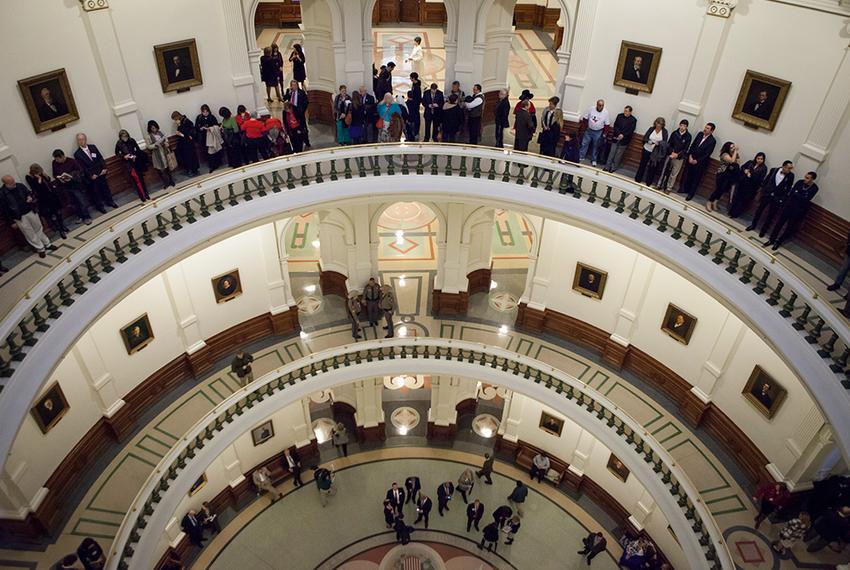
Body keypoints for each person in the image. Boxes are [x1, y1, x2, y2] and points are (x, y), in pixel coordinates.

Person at [1, 176, 56, 258]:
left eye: (14, 181)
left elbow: (29, 193)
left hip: (30, 210)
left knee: (38, 227)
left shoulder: (20, 185)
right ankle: (40, 249)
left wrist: (30, 197)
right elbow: (5, 210)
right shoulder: (2, 193)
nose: (14, 184)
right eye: (11, 183)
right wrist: (11, 222)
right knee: (29, 233)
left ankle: (47, 244)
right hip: (19, 216)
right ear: (6, 184)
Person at [766, 172, 819, 250]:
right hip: (789, 206)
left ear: (812, 179)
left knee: (789, 227)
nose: (805, 179)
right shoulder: (800, 182)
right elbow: (792, 192)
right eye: (805, 177)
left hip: (798, 210)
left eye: (808, 178)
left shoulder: (814, 188)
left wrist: (797, 194)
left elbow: (806, 199)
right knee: (779, 223)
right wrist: (799, 194)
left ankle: (779, 242)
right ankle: (772, 239)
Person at [746, 160, 794, 236]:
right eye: (788, 168)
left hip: (777, 198)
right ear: (783, 166)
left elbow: (788, 188)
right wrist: (762, 191)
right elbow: (766, 181)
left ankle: (763, 230)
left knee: (770, 215)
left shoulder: (791, 176)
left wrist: (782, 199)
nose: (789, 170)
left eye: (791, 168)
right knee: (759, 211)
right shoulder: (774, 170)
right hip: (767, 195)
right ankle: (753, 225)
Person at [74, 133, 118, 212]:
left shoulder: (92, 147)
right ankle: (100, 206)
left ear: (86, 139)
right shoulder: (77, 154)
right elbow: (82, 167)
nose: (81, 141)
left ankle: (110, 201)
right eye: (79, 140)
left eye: (82, 139)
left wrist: (104, 168)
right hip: (91, 176)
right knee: (95, 192)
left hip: (101, 172)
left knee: (105, 188)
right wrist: (90, 175)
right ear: (77, 141)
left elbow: (100, 158)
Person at [26, 164, 69, 239]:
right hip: (43, 199)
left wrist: (44, 175)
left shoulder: (41, 173)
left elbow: (48, 180)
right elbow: (36, 188)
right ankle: (59, 229)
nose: (40, 173)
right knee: (51, 214)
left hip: (52, 195)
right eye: (38, 172)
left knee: (58, 211)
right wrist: (39, 179)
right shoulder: (29, 177)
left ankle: (62, 226)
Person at [52, 149, 92, 225]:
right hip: (64, 186)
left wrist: (71, 176)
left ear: (63, 156)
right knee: (72, 203)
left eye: (58, 159)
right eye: (55, 159)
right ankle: (79, 216)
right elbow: (54, 174)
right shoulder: (54, 163)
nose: (56, 161)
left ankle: (86, 217)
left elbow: (80, 171)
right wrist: (59, 178)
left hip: (75, 185)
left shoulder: (72, 161)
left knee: (81, 201)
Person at [680, 122, 717, 200]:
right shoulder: (700, 134)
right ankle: (684, 189)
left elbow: (707, 154)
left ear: (711, 131)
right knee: (687, 175)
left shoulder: (712, 141)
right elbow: (693, 145)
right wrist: (690, 156)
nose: (705, 129)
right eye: (705, 127)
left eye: (707, 128)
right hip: (691, 158)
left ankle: (690, 194)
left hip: (700, 163)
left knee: (695, 179)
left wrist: (696, 160)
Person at [656, 119, 692, 193]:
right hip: (670, 155)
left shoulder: (688, 136)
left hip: (679, 158)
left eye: (684, 126)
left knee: (674, 174)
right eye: (681, 125)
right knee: (664, 170)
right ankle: (659, 185)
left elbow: (686, 149)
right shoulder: (674, 133)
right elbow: (669, 144)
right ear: (679, 125)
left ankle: (669, 188)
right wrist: (671, 152)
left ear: (686, 127)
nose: (682, 127)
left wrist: (677, 155)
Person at [114, 130, 150, 202]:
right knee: (136, 180)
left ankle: (146, 194)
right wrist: (124, 156)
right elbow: (117, 154)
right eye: (123, 136)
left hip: (136, 161)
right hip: (129, 164)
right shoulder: (119, 143)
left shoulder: (132, 140)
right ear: (120, 137)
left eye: (126, 136)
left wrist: (135, 156)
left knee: (141, 179)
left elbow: (138, 150)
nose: (125, 138)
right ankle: (141, 196)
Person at [729, 151, 767, 218]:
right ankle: (731, 212)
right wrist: (745, 171)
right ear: (756, 158)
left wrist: (751, 175)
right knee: (737, 197)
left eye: (761, 159)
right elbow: (743, 167)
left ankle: (735, 214)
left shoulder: (764, 168)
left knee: (743, 201)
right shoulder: (750, 162)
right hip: (743, 183)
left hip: (751, 187)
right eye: (758, 158)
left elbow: (760, 179)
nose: (759, 160)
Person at [707, 141, 740, 212]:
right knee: (718, 189)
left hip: (729, 175)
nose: (733, 149)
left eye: (734, 147)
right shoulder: (725, 154)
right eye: (731, 147)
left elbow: (737, 162)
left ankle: (715, 203)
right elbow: (731, 161)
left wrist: (735, 153)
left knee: (723, 190)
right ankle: (709, 202)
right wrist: (736, 151)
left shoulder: (734, 154)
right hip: (722, 174)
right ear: (727, 148)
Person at [635, 117, 668, 185]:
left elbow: (665, 143)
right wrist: (649, 141)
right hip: (647, 149)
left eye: (660, 124)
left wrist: (659, 143)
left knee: (653, 167)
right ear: (655, 123)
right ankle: (638, 179)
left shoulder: (664, 132)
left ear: (662, 125)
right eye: (657, 123)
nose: (658, 126)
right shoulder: (651, 129)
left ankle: (649, 182)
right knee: (643, 164)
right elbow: (645, 138)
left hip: (656, 152)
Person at [603, 106, 637, 173]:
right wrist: (619, 134)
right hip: (616, 137)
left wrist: (623, 135)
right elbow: (616, 126)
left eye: (627, 111)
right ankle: (607, 166)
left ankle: (613, 167)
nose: (625, 112)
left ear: (630, 112)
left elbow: (631, 130)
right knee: (611, 153)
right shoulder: (619, 116)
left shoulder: (633, 120)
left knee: (618, 155)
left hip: (624, 140)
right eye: (625, 110)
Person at [579, 99, 610, 167]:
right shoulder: (591, 109)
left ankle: (594, 160)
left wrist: (605, 134)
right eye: (599, 105)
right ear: (597, 105)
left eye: (602, 105)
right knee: (584, 143)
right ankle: (581, 156)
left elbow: (607, 124)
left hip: (598, 132)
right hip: (589, 130)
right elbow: (585, 118)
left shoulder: (606, 112)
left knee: (596, 146)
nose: (600, 107)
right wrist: (584, 128)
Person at [145, 120, 176, 188]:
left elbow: (166, 140)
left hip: (164, 152)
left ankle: (171, 181)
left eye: (155, 127)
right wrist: (155, 145)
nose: (154, 129)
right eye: (152, 128)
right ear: (150, 128)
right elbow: (148, 146)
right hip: (157, 154)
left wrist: (166, 143)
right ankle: (166, 182)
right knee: (161, 170)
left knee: (168, 167)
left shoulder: (161, 132)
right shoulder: (148, 136)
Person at [170, 112, 200, 176]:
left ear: (177, 117)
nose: (175, 121)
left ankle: (193, 170)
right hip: (184, 143)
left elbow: (187, 132)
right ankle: (191, 170)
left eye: (175, 119)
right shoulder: (181, 122)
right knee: (186, 157)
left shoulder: (186, 121)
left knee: (191, 157)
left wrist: (180, 127)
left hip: (188, 142)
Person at [195, 104, 222, 173]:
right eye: (204, 112)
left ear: (209, 111)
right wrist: (201, 128)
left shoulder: (212, 117)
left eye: (206, 112)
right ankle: (211, 165)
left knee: (215, 150)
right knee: (208, 152)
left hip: (212, 136)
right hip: (204, 137)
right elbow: (197, 127)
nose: (205, 113)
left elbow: (216, 126)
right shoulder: (199, 117)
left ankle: (217, 163)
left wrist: (210, 128)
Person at [284, 80, 310, 148]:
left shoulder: (301, 92)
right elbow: (284, 99)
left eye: (295, 85)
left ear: (297, 85)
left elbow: (306, 102)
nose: (294, 86)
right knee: (294, 128)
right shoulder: (289, 91)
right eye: (292, 85)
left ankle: (306, 141)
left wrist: (302, 110)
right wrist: (289, 93)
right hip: (291, 112)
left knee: (303, 128)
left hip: (299, 113)